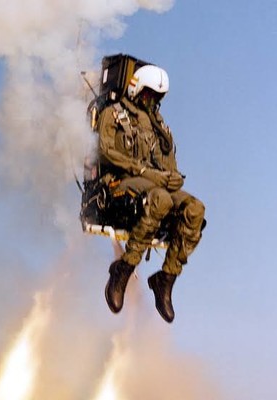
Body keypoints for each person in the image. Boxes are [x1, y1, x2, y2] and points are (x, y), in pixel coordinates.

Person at [97, 64, 206, 323]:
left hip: (156, 185)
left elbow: (168, 165)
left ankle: (165, 278)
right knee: (161, 200)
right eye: (148, 95)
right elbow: (107, 152)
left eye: (156, 97)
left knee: (195, 209)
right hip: (121, 182)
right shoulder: (113, 115)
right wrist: (146, 172)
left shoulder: (160, 128)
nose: (151, 102)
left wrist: (172, 177)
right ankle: (123, 269)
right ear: (136, 89)